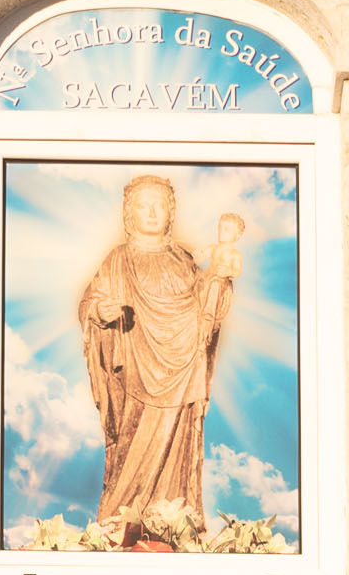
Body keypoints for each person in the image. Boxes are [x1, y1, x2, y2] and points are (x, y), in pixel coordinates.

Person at [77, 174, 238, 544]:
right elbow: (91, 303)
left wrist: (218, 280)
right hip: (135, 372)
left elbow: (205, 309)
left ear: (171, 211)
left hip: (184, 369)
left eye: (159, 204)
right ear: (128, 213)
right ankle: (120, 522)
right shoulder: (118, 260)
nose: (151, 212)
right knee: (132, 447)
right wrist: (102, 310)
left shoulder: (183, 260)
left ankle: (174, 523)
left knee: (179, 447)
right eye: (143, 205)